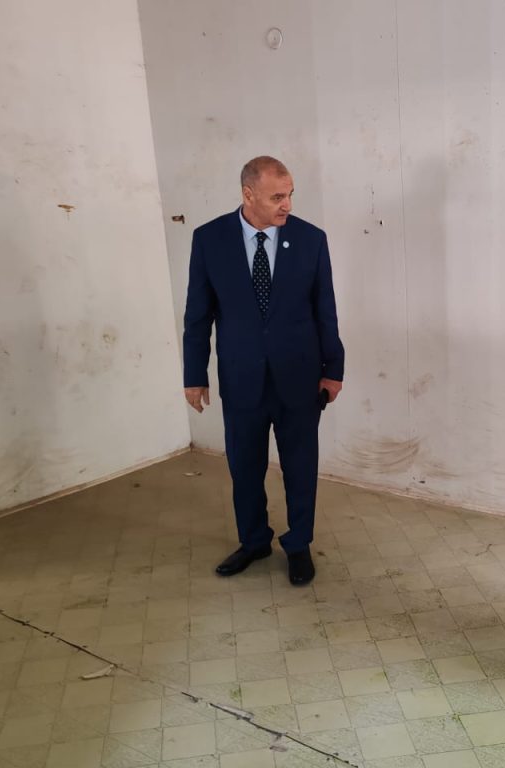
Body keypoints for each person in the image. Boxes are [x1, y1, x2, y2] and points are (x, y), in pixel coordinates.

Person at [183, 156, 344, 586]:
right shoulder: (210, 239)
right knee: (245, 468)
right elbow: (197, 315)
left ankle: (299, 544)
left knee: (300, 467)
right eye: (277, 197)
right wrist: (194, 375)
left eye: (290, 194)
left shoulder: (310, 240)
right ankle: (254, 541)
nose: (287, 204)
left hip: (299, 378)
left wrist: (333, 369)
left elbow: (325, 310)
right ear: (248, 194)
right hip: (241, 379)